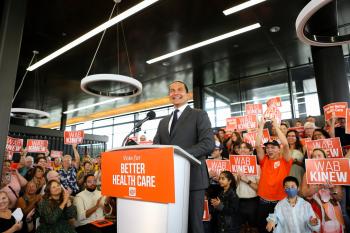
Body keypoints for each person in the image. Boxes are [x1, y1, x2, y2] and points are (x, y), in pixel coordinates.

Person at [153, 80, 214, 233]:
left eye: (180, 89)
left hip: (193, 180)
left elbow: (208, 144)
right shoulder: (163, 122)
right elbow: (156, 147)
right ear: (169, 96)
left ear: (187, 94)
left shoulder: (199, 114)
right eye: (172, 90)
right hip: (169, 183)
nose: (176, 93)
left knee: (194, 226)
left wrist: (179, 155)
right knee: (173, 226)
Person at [255, 118, 292, 233]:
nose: (269, 149)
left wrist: (276, 126)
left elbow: (285, 144)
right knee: (263, 228)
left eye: (273, 147)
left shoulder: (285, 161)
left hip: (280, 202)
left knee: (280, 229)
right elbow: (257, 145)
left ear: (278, 149)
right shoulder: (264, 160)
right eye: (267, 147)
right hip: (263, 201)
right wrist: (261, 126)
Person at [301, 148, 345, 233]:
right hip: (314, 209)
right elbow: (304, 193)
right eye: (313, 156)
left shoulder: (334, 172)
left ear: (325, 158)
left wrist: (332, 189)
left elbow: (339, 197)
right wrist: (319, 187)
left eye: (319, 155)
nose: (316, 158)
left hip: (333, 211)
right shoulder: (307, 174)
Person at [234, 142, 260, 233]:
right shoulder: (234, 166)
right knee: (240, 228)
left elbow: (259, 188)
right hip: (238, 201)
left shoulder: (257, 167)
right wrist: (237, 179)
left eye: (245, 148)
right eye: (240, 148)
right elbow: (232, 188)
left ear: (250, 151)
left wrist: (246, 180)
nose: (242, 149)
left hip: (252, 202)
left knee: (253, 228)